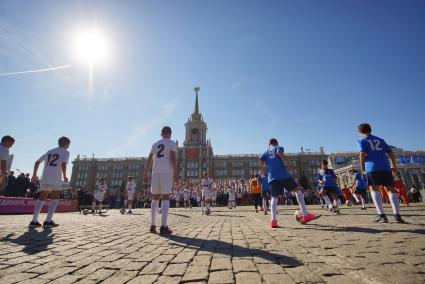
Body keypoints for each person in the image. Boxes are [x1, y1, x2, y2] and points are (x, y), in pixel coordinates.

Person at [260, 138, 319, 228]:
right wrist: (288, 163)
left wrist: (264, 170)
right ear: (276, 143)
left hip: (272, 177)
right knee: (298, 190)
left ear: (269, 144)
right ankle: (305, 214)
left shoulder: (265, 152)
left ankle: (273, 220)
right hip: (283, 175)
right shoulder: (277, 147)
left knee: (274, 197)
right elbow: (279, 152)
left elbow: (260, 160)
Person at [357, 123, 405, 223]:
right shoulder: (380, 140)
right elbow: (390, 152)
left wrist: (362, 166)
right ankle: (397, 216)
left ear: (360, 132)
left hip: (372, 167)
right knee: (391, 189)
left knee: (374, 189)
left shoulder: (361, 140)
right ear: (371, 130)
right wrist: (394, 166)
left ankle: (382, 215)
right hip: (385, 167)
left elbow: (362, 153)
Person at [29, 137, 70, 228]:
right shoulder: (65, 152)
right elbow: (63, 163)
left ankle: (34, 221)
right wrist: (64, 175)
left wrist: (34, 174)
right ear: (66, 144)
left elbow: (37, 162)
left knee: (42, 197)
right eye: (68, 145)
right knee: (55, 196)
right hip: (55, 177)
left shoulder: (49, 151)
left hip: (45, 176)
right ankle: (48, 221)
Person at [143, 126, 178, 235]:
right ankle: (163, 226)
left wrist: (145, 173)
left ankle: (153, 226)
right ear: (170, 134)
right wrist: (175, 172)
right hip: (166, 172)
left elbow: (149, 159)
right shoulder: (172, 143)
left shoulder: (155, 144)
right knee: (165, 197)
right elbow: (172, 158)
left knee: (155, 198)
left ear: (162, 134)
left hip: (155, 172)